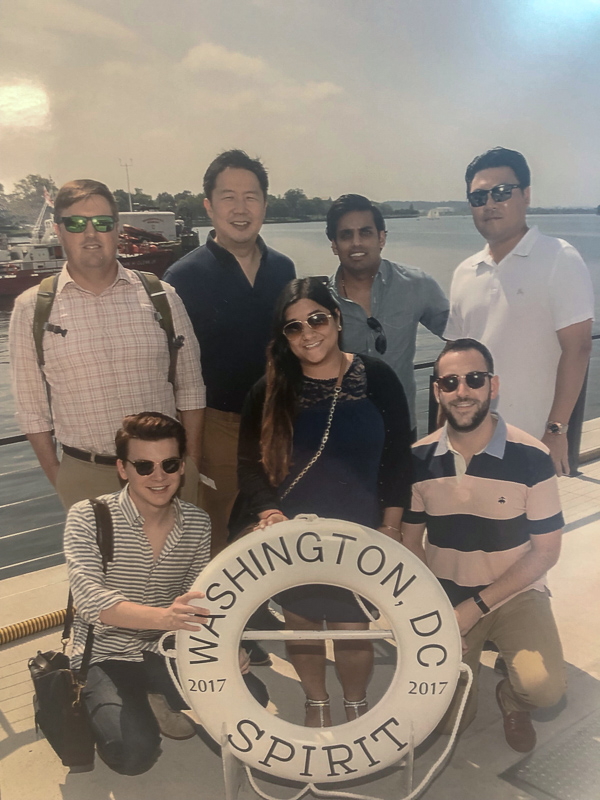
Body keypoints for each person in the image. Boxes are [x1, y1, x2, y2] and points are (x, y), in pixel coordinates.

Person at [232, 277, 413, 727]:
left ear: (336, 320)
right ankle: (315, 702)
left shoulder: (377, 377)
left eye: (316, 319)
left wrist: (391, 527)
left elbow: (397, 459)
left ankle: (355, 704)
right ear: (284, 337)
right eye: (293, 327)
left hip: (361, 535)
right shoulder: (268, 390)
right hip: (298, 537)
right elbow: (249, 466)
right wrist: (270, 512)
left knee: (354, 633)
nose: (308, 332)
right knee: (303, 629)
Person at [64, 412, 266, 775]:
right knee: (133, 754)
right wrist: (164, 617)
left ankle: (154, 694)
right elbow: (90, 599)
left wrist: (226, 646)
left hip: (163, 647)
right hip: (105, 653)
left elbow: (197, 597)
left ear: (182, 467)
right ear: (123, 469)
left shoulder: (198, 522)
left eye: (169, 464)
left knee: (254, 697)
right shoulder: (88, 516)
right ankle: (125, 704)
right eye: (144, 466)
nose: (158, 477)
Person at [402, 339, 566, 753]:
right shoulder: (417, 459)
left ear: (493, 386)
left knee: (544, 690)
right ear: (437, 390)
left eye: (474, 379)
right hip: (448, 597)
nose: (462, 391)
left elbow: (546, 551)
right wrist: (436, 608)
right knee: (447, 722)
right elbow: (409, 540)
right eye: (450, 382)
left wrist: (473, 609)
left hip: (514, 594)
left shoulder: (533, 457)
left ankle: (512, 700)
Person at [9, 179, 205, 509]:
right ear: (59, 230)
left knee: (179, 562)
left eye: (101, 223)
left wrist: (192, 463)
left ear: (116, 230)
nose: (90, 234)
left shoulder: (161, 297)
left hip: (164, 472)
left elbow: (191, 389)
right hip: (86, 476)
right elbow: (32, 412)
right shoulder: (32, 308)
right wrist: (60, 478)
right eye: (75, 223)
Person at [163, 150, 296, 557]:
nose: (241, 209)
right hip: (217, 426)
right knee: (218, 534)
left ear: (265, 205)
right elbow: (169, 370)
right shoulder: (182, 278)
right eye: (228, 197)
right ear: (208, 205)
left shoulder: (283, 270)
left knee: (278, 524)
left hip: (280, 422)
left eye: (251, 197)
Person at [445, 147, 594, 475]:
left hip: (534, 444)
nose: (490, 204)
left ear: (526, 195)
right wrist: (444, 432)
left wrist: (556, 431)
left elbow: (579, 347)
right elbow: (454, 360)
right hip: (471, 442)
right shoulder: (464, 272)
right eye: (479, 197)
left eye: (501, 192)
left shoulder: (559, 258)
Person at [326, 193, 449, 438]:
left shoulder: (416, 285)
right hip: (344, 435)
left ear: (381, 238)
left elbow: (458, 335)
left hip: (400, 427)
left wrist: (447, 384)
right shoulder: (321, 304)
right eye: (346, 235)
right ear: (334, 245)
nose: (356, 243)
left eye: (366, 232)